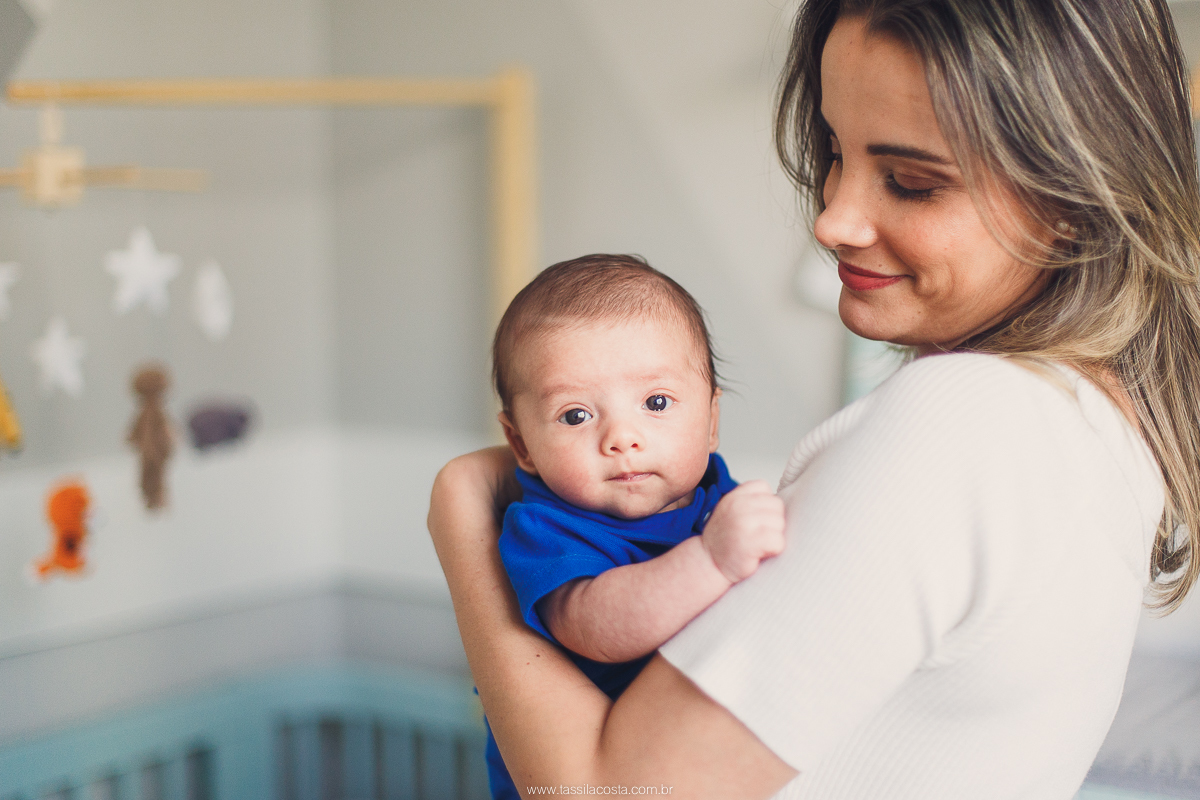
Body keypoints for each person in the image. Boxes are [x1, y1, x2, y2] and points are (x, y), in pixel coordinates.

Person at [427, 0, 1200, 797]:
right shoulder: (1095, 415)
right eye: (835, 151)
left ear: (1073, 202)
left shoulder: (963, 423)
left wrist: (462, 521)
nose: (831, 218)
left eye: (909, 182)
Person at [482, 253, 786, 798]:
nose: (622, 437)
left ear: (711, 421)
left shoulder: (720, 495)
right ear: (522, 445)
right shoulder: (543, 526)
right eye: (576, 415)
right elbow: (594, 626)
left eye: (656, 402)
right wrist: (711, 561)